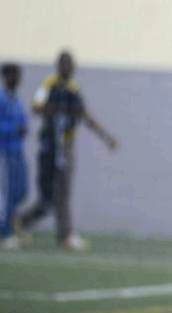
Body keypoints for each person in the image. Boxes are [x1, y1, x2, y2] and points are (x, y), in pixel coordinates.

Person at [16, 50, 117, 252]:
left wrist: (106, 137)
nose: (68, 68)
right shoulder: (48, 85)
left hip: (65, 148)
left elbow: (84, 116)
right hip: (48, 147)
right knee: (47, 198)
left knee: (62, 193)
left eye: (70, 64)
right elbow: (36, 106)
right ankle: (21, 221)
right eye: (64, 64)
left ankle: (65, 234)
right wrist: (55, 110)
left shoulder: (73, 90)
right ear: (58, 66)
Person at [0, 63, 28, 250]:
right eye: (14, 75)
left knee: (21, 190)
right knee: (8, 194)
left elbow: (23, 120)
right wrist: (13, 129)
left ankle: (12, 223)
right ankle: (5, 233)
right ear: (6, 77)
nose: (17, 79)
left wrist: (24, 128)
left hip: (18, 151)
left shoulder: (16, 99)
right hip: (6, 152)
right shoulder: (1, 99)